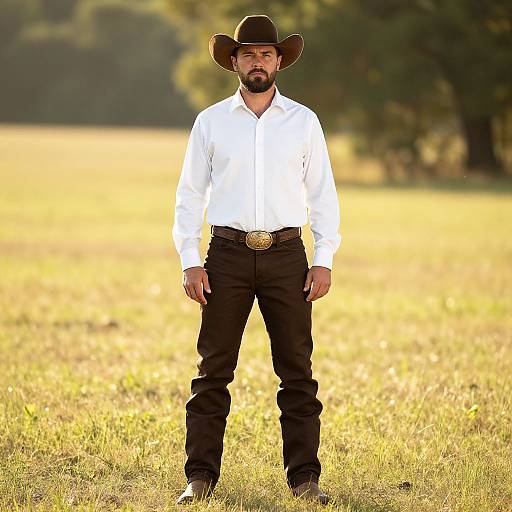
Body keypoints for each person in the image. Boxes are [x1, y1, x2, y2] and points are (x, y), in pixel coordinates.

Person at [172, 14, 341, 506]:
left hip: (289, 256)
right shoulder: (210, 122)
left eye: (267, 54)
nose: (258, 62)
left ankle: (305, 480)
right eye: (248, 54)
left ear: (279, 62)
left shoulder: (304, 122)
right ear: (234, 62)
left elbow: (323, 195)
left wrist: (323, 257)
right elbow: (189, 195)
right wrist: (190, 259)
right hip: (224, 255)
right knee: (212, 371)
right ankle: (200, 478)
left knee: (297, 372)